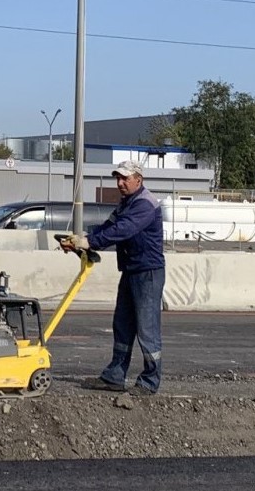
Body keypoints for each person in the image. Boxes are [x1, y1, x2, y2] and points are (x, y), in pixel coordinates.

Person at [61, 159, 165, 396]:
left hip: (147, 272)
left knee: (147, 330)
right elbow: (109, 226)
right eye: (117, 178)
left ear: (138, 179)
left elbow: (123, 230)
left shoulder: (144, 205)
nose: (119, 183)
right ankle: (114, 376)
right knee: (123, 324)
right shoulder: (127, 203)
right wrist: (82, 238)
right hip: (131, 270)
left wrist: (90, 242)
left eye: (124, 178)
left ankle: (149, 382)